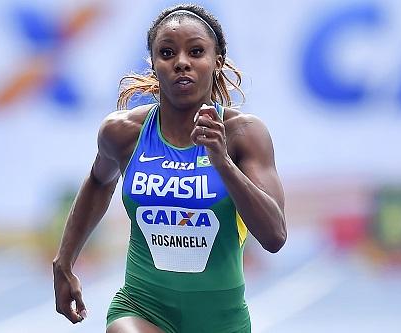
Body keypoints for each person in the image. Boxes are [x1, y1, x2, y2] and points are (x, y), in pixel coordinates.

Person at [53, 4, 286, 332]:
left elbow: (274, 236)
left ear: (216, 61)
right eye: (167, 53)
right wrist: (64, 261)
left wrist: (222, 162)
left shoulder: (244, 136)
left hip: (220, 320)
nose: (181, 63)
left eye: (195, 52)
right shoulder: (122, 132)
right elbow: (98, 181)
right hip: (141, 305)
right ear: (153, 64)